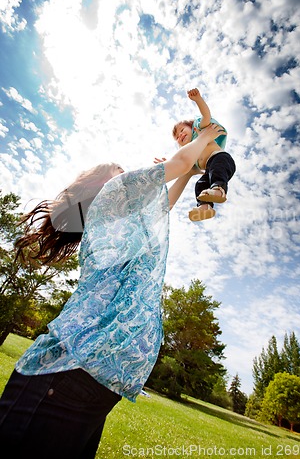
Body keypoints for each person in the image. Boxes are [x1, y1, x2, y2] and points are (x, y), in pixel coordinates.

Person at [0, 122, 224, 459]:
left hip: (95, 378)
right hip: (64, 369)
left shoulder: (124, 225)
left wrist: (189, 174)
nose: (127, 172)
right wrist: (206, 136)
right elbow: (176, 164)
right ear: (101, 182)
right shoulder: (115, 190)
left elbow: (163, 202)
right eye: (120, 170)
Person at [172, 88, 236, 221]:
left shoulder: (199, 129)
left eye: (182, 130)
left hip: (220, 159)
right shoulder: (191, 151)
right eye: (177, 137)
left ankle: (219, 190)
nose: (181, 135)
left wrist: (198, 100)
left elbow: (206, 115)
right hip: (209, 171)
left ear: (191, 127)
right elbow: (181, 165)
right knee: (200, 185)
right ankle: (204, 207)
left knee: (217, 170)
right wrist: (167, 162)